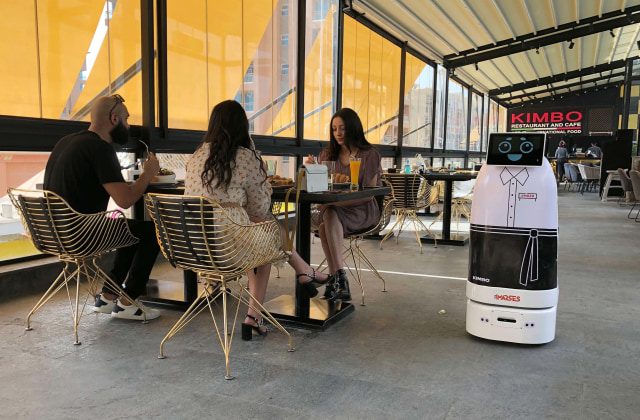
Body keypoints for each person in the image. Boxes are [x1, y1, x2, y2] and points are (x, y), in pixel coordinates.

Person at [184, 100, 333, 340]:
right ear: (242, 128)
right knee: (266, 231)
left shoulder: (195, 158)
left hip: (193, 246)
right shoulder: (244, 157)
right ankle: (256, 313)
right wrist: (260, 170)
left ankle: (303, 271)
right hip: (227, 248)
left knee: (261, 228)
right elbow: (261, 207)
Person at [43, 94, 162, 320]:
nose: (128, 125)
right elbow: (125, 200)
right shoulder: (100, 148)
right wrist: (148, 174)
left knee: (129, 229)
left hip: (51, 233)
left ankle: (108, 297)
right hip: (80, 235)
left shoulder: (65, 142)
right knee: (153, 231)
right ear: (113, 118)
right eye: (126, 120)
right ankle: (128, 302)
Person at [305, 108, 383, 302]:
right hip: (334, 209)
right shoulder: (327, 154)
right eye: (334, 129)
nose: (338, 133)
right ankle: (339, 279)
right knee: (327, 221)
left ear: (353, 128)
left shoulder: (369, 155)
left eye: (342, 128)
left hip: (362, 209)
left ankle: (336, 278)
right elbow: (320, 186)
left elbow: (368, 194)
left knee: (327, 221)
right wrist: (312, 169)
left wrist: (335, 202)